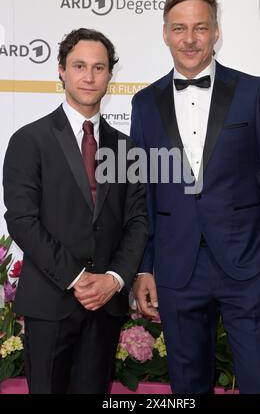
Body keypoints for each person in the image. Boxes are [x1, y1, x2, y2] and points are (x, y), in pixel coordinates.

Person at [130, 0, 260, 394]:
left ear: (216, 31)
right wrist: (145, 265)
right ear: (165, 33)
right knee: (188, 387)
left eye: (200, 27)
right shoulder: (144, 102)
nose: (190, 39)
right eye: (180, 28)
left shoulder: (252, 91)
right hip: (176, 268)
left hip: (248, 263)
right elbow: (142, 192)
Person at [3, 28, 148, 394]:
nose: (89, 76)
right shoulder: (29, 139)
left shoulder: (126, 147)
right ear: (61, 71)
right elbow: (21, 219)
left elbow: (137, 220)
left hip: (106, 307)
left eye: (99, 67)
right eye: (79, 66)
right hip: (51, 301)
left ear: (110, 76)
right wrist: (77, 278)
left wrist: (113, 279)